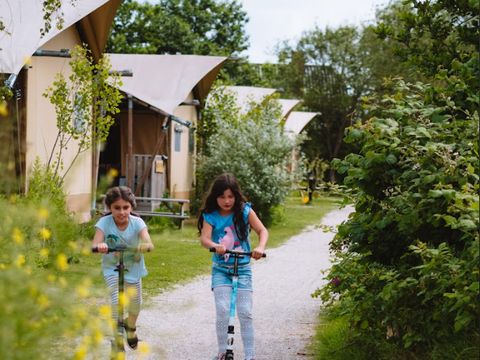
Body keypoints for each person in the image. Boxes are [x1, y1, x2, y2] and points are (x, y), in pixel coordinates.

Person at [198, 173, 268, 360]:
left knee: (245, 312)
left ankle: (250, 355)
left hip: (243, 268)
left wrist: (260, 247)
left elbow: (262, 230)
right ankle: (223, 351)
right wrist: (214, 245)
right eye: (222, 197)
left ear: (236, 196)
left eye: (230, 196)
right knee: (222, 309)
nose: (226, 201)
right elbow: (204, 238)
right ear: (216, 197)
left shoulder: (245, 211)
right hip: (221, 270)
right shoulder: (211, 215)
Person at [92, 186, 154, 350]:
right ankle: (117, 338)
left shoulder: (137, 223)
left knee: (135, 303)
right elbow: (95, 243)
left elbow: (148, 242)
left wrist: (144, 245)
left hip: (133, 267)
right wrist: (101, 245)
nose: (121, 212)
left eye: (125, 207)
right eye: (116, 208)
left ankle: (130, 327)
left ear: (131, 207)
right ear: (109, 208)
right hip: (112, 267)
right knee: (115, 301)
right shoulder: (104, 223)